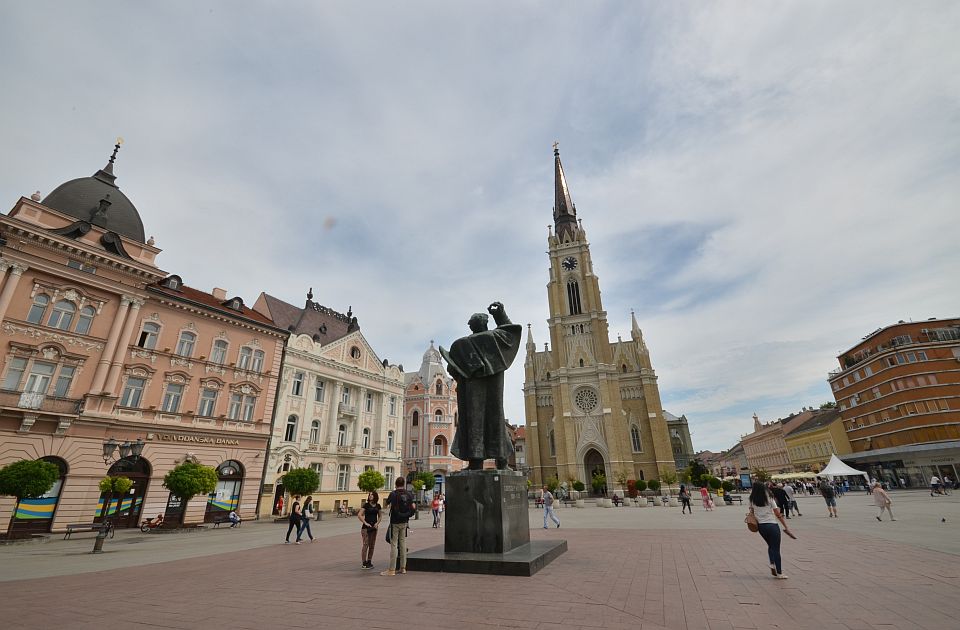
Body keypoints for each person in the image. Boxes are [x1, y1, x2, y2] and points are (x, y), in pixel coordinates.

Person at [440, 302, 523, 470]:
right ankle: (502, 462)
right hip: (492, 388)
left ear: (472, 326)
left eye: (470, 323)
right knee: (496, 419)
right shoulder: (496, 338)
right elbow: (510, 332)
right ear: (485, 323)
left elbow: (453, 368)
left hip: (472, 390)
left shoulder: (461, 344)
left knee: (474, 421)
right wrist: (500, 315)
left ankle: (476, 462)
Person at [749, 483, 793, 579]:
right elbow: (777, 513)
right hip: (772, 525)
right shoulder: (769, 498)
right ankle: (780, 573)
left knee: (771, 546)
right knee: (776, 549)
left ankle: (772, 563)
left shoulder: (752, 499)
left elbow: (751, 511)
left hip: (761, 527)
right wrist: (785, 526)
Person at [381, 477, 416, 576]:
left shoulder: (393, 494)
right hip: (405, 521)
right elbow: (413, 507)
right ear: (404, 484)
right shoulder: (409, 494)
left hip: (395, 522)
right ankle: (403, 568)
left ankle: (391, 569)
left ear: (396, 484)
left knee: (394, 544)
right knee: (403, 544)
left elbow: (386, 504)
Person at [357, 491, 382, 569]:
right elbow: (359, 515)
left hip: (374, 527)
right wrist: (365, 522)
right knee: (366, 544)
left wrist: (377, 523)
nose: (370, 496)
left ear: (375, 496)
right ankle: (364, 563)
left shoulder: (378, 506)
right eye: (369, 495)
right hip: (366, 528)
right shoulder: (366, 505)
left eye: (372, 495)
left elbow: (380, 516)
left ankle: (369, 561)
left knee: (372, 545)